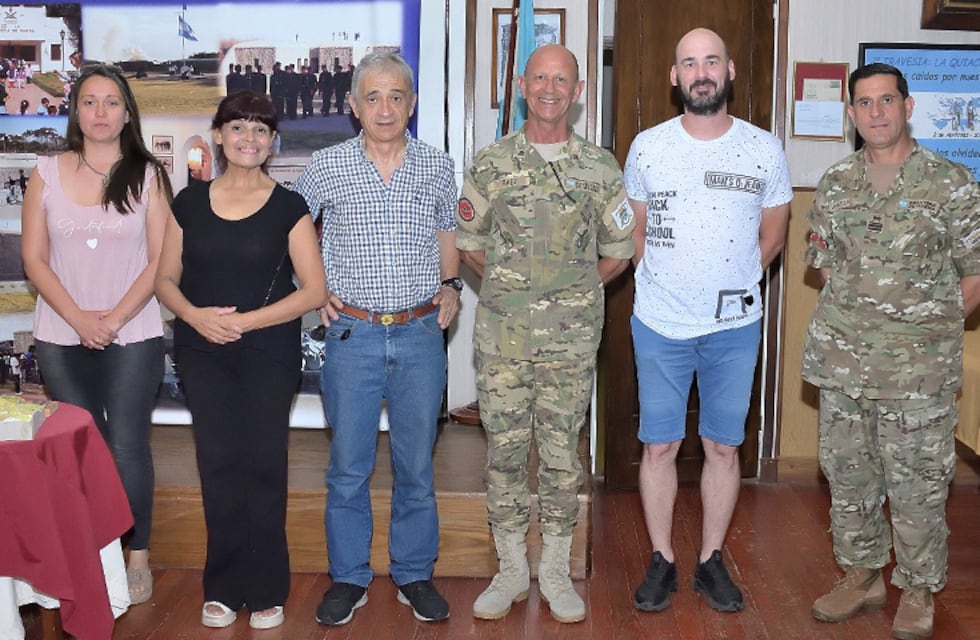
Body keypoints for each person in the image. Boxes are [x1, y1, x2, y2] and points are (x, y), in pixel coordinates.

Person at [457, 43, 635, 624]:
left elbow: (619, 250)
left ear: (578, 91)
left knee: (562, 456)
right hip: (503, 340)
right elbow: (469, 245)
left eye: (561, 80)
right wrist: (518, 293)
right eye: (539, 78)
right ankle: (510, 569)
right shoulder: (491, 163)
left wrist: (572, 292)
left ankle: (555, 570)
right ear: (521, 86)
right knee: (504, 454)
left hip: (571, 343)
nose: (550, 90)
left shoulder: (600, 168)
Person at [802, 62, 980, 640]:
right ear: (851, 114)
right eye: (864, 103)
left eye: (886, 100)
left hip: (918, 374)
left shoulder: (950, 183)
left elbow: (975, 272)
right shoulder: (836, 183)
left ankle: (919, 587)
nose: (876, 112)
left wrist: (927, 332)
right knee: (848, 478)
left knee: (918, 484)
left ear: (908, 106)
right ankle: (862, 575)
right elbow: (826, 266)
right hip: (844, 365)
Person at [623, 27, 792, 614]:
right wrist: (667, 282)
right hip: (659, 323)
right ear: (675, 76)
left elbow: (774, 235)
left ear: (729, 70)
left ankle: (711, 560)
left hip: (733, 328)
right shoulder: (647, 147)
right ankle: (662, 558)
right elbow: (635, 232)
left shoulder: (764, 149)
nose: (701, 73)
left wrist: (734, 280)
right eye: (690, 63)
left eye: (711, 61)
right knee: (660, 446)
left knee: (722, 446)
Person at [292, 51, 459, 627]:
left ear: (412, 104)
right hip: (352, 336)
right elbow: (292, 231)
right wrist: (313, 290)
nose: (385, 108)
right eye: (372, 97)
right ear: (353, 106)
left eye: (396, 97)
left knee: (416, 467)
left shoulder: (437, 165)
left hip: (420, 335)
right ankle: (349, 577)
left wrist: (452, 284)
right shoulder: (326, 166)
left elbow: (447, 231)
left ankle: (413, 573)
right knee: (347, 468)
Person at [154, 90, 326, 630]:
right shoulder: (188, 203)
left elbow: (314, 290)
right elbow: (165, 280)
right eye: (237, 127)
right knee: (218, 463)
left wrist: (245, 322)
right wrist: (195, 317)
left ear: (272, 141)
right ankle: (224, 587)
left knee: (264, 464)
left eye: (259, 129)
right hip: (201, 350)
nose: (248, 138)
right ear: (219, 135)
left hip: (267, 351)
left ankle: (268, 587)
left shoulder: (289, 207)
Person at [20, 63, 173, 605]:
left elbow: (161, 261)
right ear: (76, 111)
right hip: (61, 334)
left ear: (127, 113)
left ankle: (137, 554)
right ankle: (91, 552)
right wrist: (80, 319)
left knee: (127, 444)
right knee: (80, 448)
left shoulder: (148, 175)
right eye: (89, 101)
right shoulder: (46, 172)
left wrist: (112, 321)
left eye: (112, 102)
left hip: (134, 332)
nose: (100, 112)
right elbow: (34, 260)